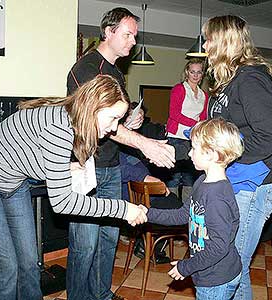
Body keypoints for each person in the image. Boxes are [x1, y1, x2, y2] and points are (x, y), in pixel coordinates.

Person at [0, 75, 148, 300]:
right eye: (113, 118)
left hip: (13, 182)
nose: (114, 128)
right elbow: (63, 202)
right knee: (5, 268)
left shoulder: (72, 116)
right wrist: (124, 209)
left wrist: (66, 168)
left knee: (29, 262)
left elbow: (32, 153)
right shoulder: (59, 128)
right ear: (94, 106)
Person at [66, 7, 175, 300]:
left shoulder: (116, 72)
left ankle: (101, 294)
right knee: (85, 242)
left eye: (134, 36)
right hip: (85, 165)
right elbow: (92, 119)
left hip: (112, 165)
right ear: (108, 32)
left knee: (108, 237)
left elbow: (111, 122)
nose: (132, 41)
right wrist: (144, 142)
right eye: (127, 34)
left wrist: (129, 122)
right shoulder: (87, 69)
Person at [202, 15, 272, 300]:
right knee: (236, 264)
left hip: (256, 183)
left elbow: (267, 139)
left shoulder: (251, 79)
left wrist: (222, 157)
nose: (205, 44)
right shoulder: (226, 82)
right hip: (236, 178)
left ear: (225, 42)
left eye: (209, 39)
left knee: (231, 264)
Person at [145, 118, 244, 300]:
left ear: (213, 154)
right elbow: (183, 215)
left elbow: (218, 247)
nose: (189, 154)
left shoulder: (216, 197)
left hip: (216, 279)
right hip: (209, 272)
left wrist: (186, 267)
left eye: (194, 148)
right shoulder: (202, 182)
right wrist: (146, 213)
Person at [119, 152, 183, 264]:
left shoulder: (122, 151)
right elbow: (123, 169)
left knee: (173, 203)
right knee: (179, 212)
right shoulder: (116, 155)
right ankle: (149, 248)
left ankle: (143, 242)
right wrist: (144, 177)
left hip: (139, 198)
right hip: (141, 200)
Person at [166, 58, 208, 199]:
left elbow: (203, 117)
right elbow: (174, 114)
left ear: (202, 75)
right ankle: (171, 209)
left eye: (199, 72)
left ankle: (186, 213)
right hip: (176, 137)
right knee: (174, 177)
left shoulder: (204, 95)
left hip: (193, 138)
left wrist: (199, 127)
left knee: (190, 178)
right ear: (187, 73)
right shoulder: (179, 89)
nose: (195, 75)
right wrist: (194, 124)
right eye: (192, 72)